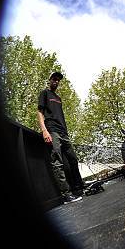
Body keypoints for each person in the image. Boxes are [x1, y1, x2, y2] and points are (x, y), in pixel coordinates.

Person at [37, 71, 83, 204]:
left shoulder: (58, 98)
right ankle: (66, 195)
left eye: (58, 80)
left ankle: (79, 187)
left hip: (64, 132)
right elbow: (40, 112)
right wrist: (44, 131)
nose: (56, 82)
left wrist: (66, 132)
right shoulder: (44, 93)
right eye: (54, 79)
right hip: (52, 130)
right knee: (57, 162)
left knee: (73, 160)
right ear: (49, 80)